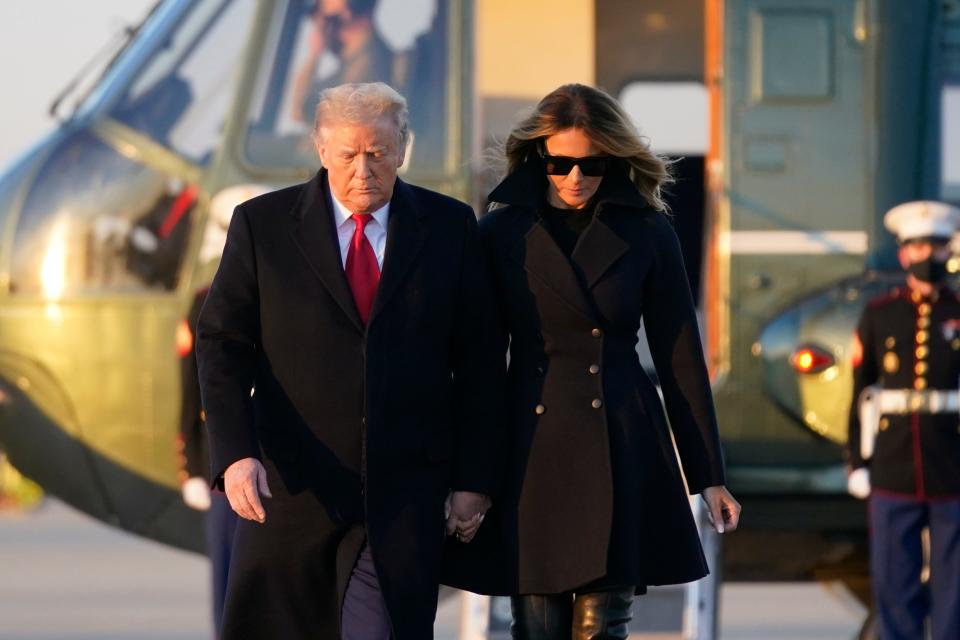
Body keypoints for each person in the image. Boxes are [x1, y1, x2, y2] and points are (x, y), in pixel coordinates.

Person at [196, 82, 502, 640]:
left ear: (403, 149)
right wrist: (234, 454)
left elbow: (480, 362)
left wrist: (473, 478)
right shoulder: (262, 226)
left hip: (402, 496)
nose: (364, 169)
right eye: (348, 154)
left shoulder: (449, 228)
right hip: (289, 493)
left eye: (379, 153)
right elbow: (222, 344)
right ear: (320, 149)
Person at [443, 83, 741, 639]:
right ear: (538, 156)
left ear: (614, 159)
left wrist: (709, 477)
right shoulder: (500, 233)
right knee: (535, 628)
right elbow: (481, 367)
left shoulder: (649, 232)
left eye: (591, 164)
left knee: (602, 628)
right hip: (530, 451)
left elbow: (681, 359)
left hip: (619, 439)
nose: (574, 177)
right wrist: (471, 479)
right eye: (559, 163)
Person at [846, 200, 960, 640]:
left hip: (952, 465)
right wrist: (857, 461)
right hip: (893, 466)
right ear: (902, 253)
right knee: (895, 584)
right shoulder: (881, 314)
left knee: (955, 591)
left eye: (934, 246)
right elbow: (861, 391)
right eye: (916, 246)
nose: (925, 255)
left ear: (947, 250)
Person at [175, 286, 238, 639]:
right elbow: (191, 385)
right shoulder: (207, 299)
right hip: (223, 464)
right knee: (228, 575)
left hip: (280, 465)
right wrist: (194, 467)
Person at [290, 0, 394, 125]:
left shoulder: (366, 63)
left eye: (325, 20)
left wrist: (314, 55)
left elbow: (301, 111)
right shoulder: (358, 60)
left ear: (346, 15)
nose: (320, 27)